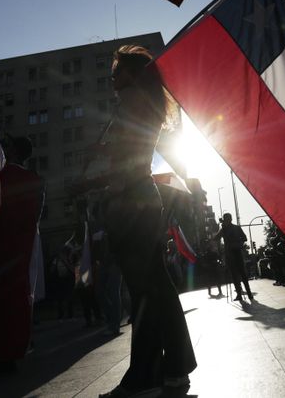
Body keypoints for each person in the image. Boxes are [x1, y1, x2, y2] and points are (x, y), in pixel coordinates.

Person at [98, 46, 196, 398]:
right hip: (141, 199)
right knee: (156, 289)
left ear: (132, 74)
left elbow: (126, 159)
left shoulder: (132, 102)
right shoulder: (145, 101)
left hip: (131, 201)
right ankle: (172, 369)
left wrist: (108, 190)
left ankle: (145, 377)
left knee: (144, 293)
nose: (112, 78)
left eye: (117, 72)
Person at [0, 136, 46, 377]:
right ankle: (13, 351)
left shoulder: (1, 177)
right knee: (16, 301)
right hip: (22, 250)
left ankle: (2, 357)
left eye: (6, 146)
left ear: (13, 151)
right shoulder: (34, 180)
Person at [214, 213, 253, 303]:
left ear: (228, 219)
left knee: (239, 274)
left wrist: (237, 243)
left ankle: (245, 293)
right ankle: (244, 293)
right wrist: (221, 227)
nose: (226, 221)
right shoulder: (227, 228)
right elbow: (216, 238)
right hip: (232, 253)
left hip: (234, 253)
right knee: (238, 274)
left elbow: (244, 238)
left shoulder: (230, 228)